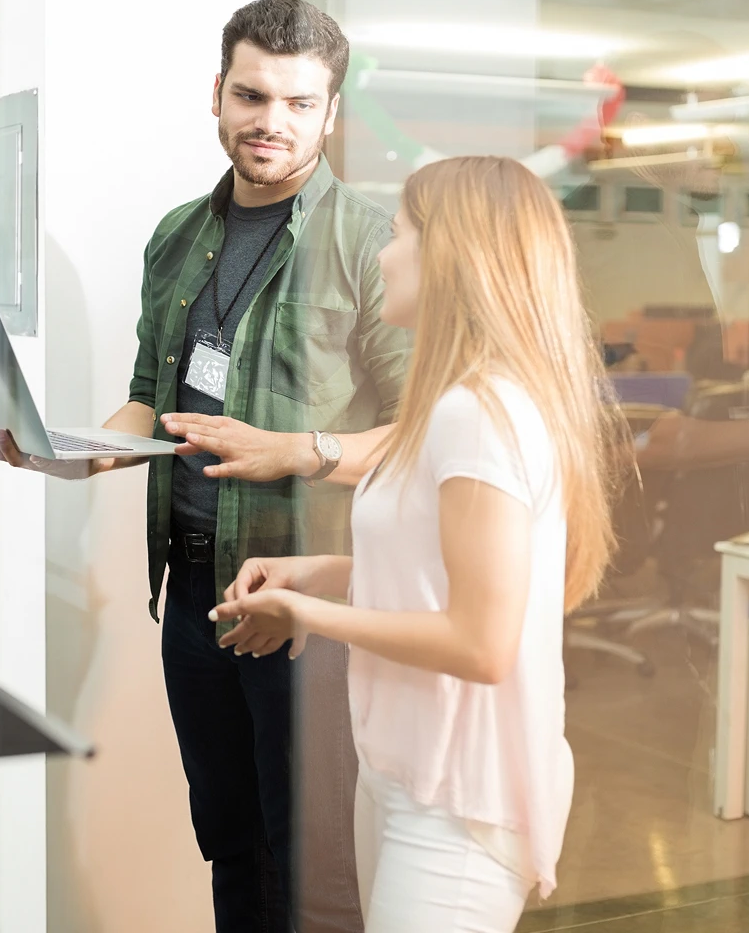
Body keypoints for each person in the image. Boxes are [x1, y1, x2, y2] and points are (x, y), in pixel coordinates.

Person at [0, 0, 411, 932]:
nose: (272, 122)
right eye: (253, 95)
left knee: (317, 867)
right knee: (229, 841)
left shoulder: (372, 245)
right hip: (193, 593)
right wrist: (74, 453)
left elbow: (422, 437)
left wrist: (300, 451)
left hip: (309, 603)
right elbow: (152, 394)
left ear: (331, 112)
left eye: (301, 103)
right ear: (217, 93)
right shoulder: (178, 235)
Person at [211, 156, 624, 932]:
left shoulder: (480, 414)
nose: (382, 254)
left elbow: (480, 642)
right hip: (404, 771)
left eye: (398, 235)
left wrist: (309, 612)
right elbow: (439, 574)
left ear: (449, 257)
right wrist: (324, 574)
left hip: (458, 802)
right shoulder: (453, 406)